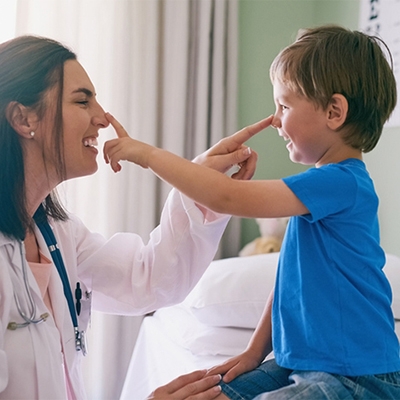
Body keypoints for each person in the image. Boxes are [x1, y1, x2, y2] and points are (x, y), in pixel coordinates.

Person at [103, 25, 400, 399]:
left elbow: (226, 197)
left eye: (285, 106)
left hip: (356, 376)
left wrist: (147, 155)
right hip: (304, 362)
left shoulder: (342, 183)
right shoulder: (321, 186)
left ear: (334, 112)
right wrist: (254, 353)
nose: (275, 119)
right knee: (220, 391)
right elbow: (289, 286)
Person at [0, 34, 269, 400]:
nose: (103, 118)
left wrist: (201, 181)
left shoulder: (56, 234)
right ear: (22, 118)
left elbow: (149, 279)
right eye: (83, 101)